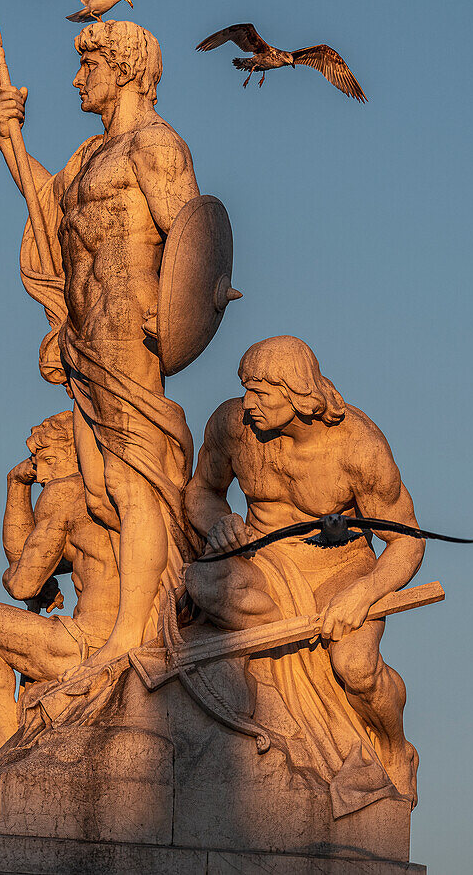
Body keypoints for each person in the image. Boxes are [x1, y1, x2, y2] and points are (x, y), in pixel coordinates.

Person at [0, 21, 200, 675]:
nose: (79, 79)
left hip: (129, 327)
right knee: (103, 492)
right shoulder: (87, 156)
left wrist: (178, 312)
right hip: (85, 338)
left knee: (135, 485)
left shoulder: (157, 146)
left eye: (89, 67)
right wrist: (8, 139)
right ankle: (152, 603)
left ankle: (133, 632)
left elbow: (192, 237)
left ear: (124, 67)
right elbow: (46, 206)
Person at [184, 336, 423, 807]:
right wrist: (222, 524)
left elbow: (407, 540)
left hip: (341, 569)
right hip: (266, 563)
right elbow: (200, 493)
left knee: (355, 667)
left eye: (261, 394)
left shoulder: (358, 448)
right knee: (202, 582)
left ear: (297, 394)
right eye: (246, 390)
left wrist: (364, 594)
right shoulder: (234, 427)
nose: (248, 404)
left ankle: (395, 748)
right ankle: (285, 695)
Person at [0, 411, 119, 749]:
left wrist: (14, 487)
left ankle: (6, 751)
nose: (41, 476)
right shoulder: (117, 493)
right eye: (37, 465)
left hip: (85, 645)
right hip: (116, 635)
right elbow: (29, 560)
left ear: (78, 451)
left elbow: (22, 582)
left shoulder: (67, 492)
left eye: (49, 460)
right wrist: (17, 483)